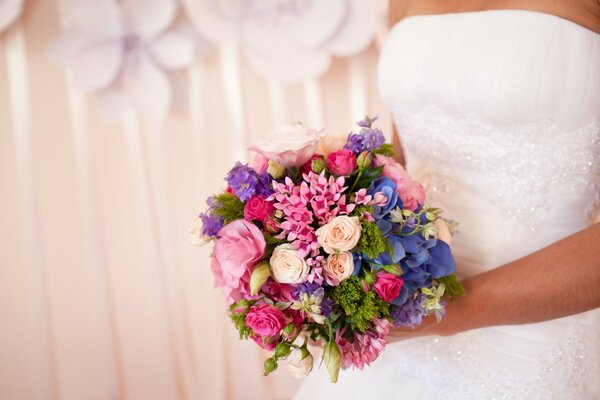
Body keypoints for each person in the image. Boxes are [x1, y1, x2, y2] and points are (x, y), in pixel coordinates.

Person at [293, 0, 600, 398]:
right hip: (402, 329)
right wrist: (321, 255)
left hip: (536, 340)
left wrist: (436, 313)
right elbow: (406, 168)